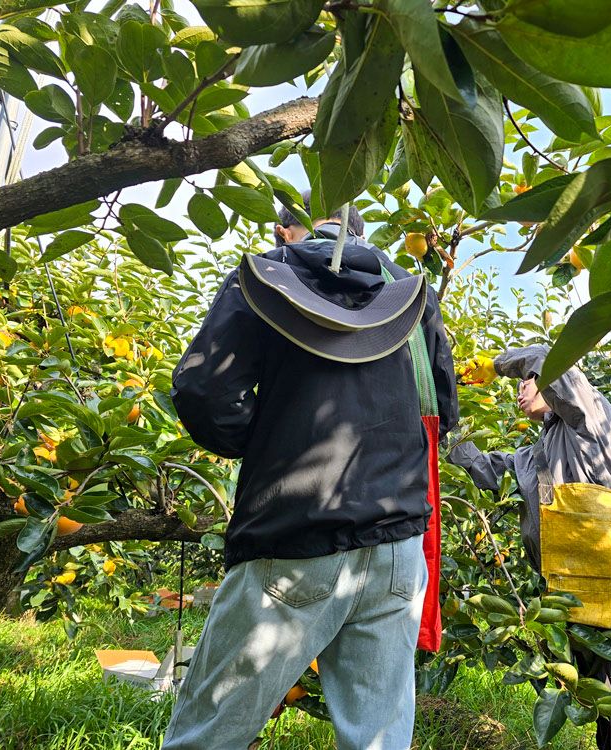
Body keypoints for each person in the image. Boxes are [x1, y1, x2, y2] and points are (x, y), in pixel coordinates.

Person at [162, 195, 458, 750]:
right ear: (363, 233)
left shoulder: (262, 277)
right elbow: (441, 406)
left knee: (209, 736)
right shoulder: (412, 294)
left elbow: (204, 389)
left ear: (285, 232)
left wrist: (265, 442)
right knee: (378, 739)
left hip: (293, 536)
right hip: (399, 544)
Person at [451, 345, 611, 750]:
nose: (520, 390)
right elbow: (478, 464)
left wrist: (499, 365)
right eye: (519, 384)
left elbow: (545, 356)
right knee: (604, 706)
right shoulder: (530, 456)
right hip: (570, 600)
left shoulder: (587, 422)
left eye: (527, 383)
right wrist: (444, 415)